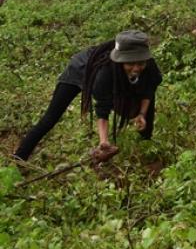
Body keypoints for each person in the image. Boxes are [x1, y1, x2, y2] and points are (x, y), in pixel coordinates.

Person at [13, 30, 162, 162]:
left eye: (140, 63)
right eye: (130, 63)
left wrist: (142, 114)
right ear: (121, 60)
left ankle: (146, 145)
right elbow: (102, 109)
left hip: (106, 74)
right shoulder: (106, 73)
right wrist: (104, 143)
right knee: (50, 118)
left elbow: (149, 89)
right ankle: (19, 158)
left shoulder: (149, 66)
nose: (136, 68)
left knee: (144, 101)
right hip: (80, 70)